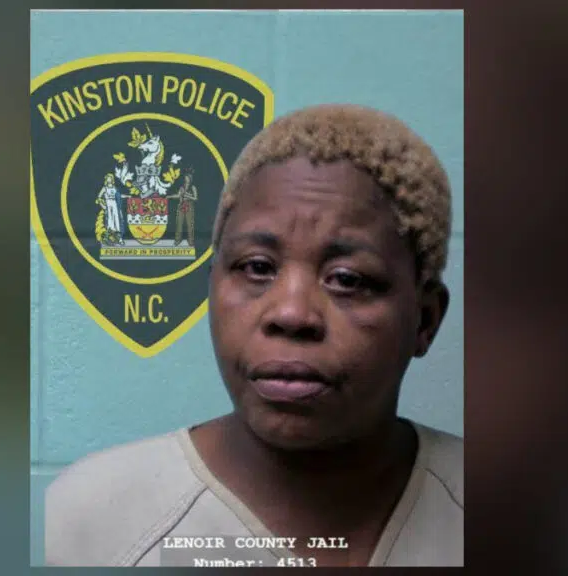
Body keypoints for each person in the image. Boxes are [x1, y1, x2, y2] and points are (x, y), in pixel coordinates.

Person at [46, 104, 462, 567]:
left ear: (425, 321)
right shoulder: (90, 522)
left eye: (347, 279)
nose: (291, 313)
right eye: (257, 267)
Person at [173, 168, 198, 247]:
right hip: (181, 205)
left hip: (189, 206)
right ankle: (177, 240)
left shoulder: (193, 187)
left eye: (188, 178)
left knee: (189, 224)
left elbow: (195, 198)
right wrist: (170, 196)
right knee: (179, 224)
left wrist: (187, 196)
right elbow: (178, 195)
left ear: (190, 179)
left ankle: (191, 241)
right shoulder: (182, 187)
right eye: (185, 178)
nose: (186, 179)